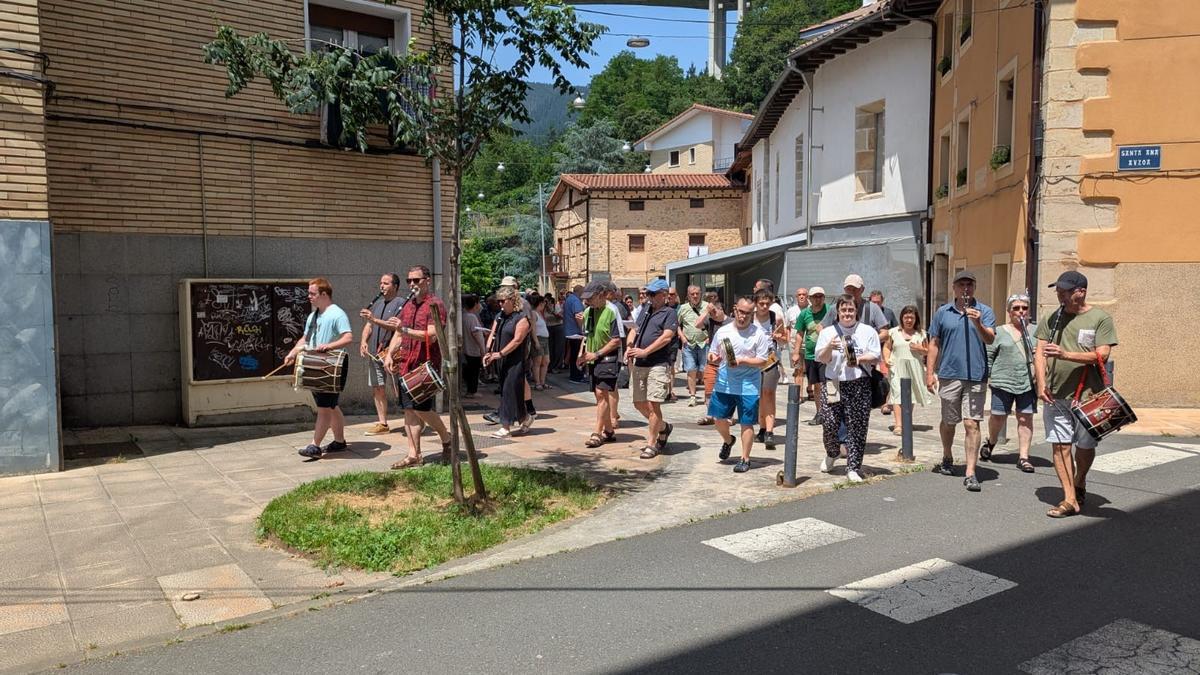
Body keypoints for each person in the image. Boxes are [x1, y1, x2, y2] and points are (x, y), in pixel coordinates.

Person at [1035, 271, 1116, 518]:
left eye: (1066, 291)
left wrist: (1065, 354)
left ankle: (1080, 480)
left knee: (1085, 445)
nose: (1060, 295)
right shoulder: (1052, 317)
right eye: (1058, 290)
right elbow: (1039, 353)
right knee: (1060, 446)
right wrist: (1040, 383)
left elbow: (1102, 355)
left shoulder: (1100, 318)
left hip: (1089, 396)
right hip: (1055, 394)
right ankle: (1069, 499)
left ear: (1081, 291)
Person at [926, 270, 996, 492]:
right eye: (961, 285)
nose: (966, 289)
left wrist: (978, 323)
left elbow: (990, 338)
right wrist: (930, 373)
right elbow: (934, 343)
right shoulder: (942, 313)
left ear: (974, 288)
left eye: (969, 285)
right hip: (949, 374)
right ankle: (947, 455)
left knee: (971, 423)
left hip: (976, 375)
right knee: (949, 421)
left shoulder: (985, 311)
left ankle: (970, 472)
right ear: (954, 288)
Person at [383, 265, 452, 468]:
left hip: (425, 366)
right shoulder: (408, 305)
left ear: (427, 281)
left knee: (422, 410)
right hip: (406, 363)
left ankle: (446, 438)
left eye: (416, 280)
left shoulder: (435, 305)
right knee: (409, 410)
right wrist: (389, 354)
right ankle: (414, 455)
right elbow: (398, 332)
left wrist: (404, 330)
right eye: (409, 281)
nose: (412, 284)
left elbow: (431, 335)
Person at [815, 294, 882, 482]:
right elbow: (821, 358)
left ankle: (853, 466)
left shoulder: (868, 331)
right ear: (838, 312)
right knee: (829, 422)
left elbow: (876, 356)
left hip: (859, 382)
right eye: (843, 309)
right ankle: (832, 451)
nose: (847, 313)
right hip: (833, 382)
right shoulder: (827, 332)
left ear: (856, 311)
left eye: (850, 309)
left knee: (857, 426)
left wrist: (859, 359)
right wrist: (829, 347)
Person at [286, 277, 353, 459]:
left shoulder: (337, 313)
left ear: (324, 294)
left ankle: (314, 446)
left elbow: (348, 337)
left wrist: (329, 346)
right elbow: (304, 339)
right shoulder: (313, 315)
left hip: (331, 367)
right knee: (331, 407)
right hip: (315, 365)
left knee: (324, 409)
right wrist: (293, 353)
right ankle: (339, 442)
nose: (309, 296)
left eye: (312, 293)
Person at [708, 296, 771, 473]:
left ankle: (745, 459)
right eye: (741, 312)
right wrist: (714, 358)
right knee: (718, 420)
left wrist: (743, 360)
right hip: (724, 383)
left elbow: (763, 361)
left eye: (748, 314)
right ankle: (728, 440)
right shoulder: (723, 331)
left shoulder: (758, 334)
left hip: (748, 385)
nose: (743, 316)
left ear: (753, 314)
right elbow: (711, 354)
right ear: (735, 310)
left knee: (747, 423)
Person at [980, 294, 1037, 472]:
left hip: (1028, 381)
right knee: (998, 416)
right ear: (1009, 311)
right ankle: (991, 441)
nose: (1021, 311)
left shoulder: (1037, 332)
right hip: (1002, 380)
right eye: (1016, 308)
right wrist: (986, 378)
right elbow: (989, 357)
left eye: (1024, 308)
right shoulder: (999, 331)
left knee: (1025, 417)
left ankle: (1024, 457)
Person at [626, 278, 678, 459]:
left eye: (653, 294)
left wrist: (645, 351)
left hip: (657, 363)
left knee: (653, 403)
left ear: (664, 295)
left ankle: (651, 443)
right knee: (638, 403)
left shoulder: (669, 313)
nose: (649, 297)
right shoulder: (645, 311)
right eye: (648, 294)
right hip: (640, 364)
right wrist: (629, 346)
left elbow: (666, 337)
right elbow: (634, 329)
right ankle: (663, 427)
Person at [358, 273, 405, 436]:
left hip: (392, 355)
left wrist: (374, 319)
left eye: (386, 283)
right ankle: (383, 423)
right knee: (378, 388)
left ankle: (413, 419)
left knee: (400, 388)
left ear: (395, 286)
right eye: (381, 283)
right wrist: (363, 341)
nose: (382, 286)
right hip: (375, 354)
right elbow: (368, 326)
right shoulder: (378, 304)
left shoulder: (401, 303)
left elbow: (395, 328)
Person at [579, 281, 623, 448]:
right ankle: (609, 431)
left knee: (601, 394)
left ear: (601, 295)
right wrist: (581, 355)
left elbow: (616, 340)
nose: (588, 301)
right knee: (598, 395)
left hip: (607, 359)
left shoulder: (612, 311)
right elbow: (586, 335)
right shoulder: (588, 311)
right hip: (592, 358)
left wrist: (596, 354)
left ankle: (597, 433)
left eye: (591, 298)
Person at [484, 286, 532, 438]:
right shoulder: (500, 316)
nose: (500, 304)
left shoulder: (522, 318)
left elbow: (517, 340)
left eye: (503, 301)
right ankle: (526, 417)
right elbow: (492, 334)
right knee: (514, 392)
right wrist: (488, 352)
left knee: (507, 392)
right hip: (500, 360)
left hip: (515, 361)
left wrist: (500, 353)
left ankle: (505, 427)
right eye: (498, 301)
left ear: (512, 300)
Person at [882, 305, 931, 435]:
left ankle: (906, 421)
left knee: (911, 394)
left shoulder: (922, 334)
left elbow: (928, 351)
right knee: (897, 393)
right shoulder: (893, 332)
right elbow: (887, 347)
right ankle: (898, 424)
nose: (909, 320)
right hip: (897, 366)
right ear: (902, 318)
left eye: (911, 317)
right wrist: (886, 360)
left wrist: (920, 349)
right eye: (906, 317)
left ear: (916, 319)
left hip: (914, 367)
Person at [752, 289, 786, 449]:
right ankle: (762, 427)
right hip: (752, 361)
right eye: (761, 303)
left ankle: (770, 431)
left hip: (770, 360)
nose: (764, 306)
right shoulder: (750, 318)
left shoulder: (775, 318)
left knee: (768, 393)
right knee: (757, 396)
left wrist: (780, 337)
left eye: (767, 303)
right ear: (756, 304)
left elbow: (785, 339)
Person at [793, 286, 828, 425]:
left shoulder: (829, 311)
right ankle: (820, 412)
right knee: (817, 385)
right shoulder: (804, 314)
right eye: (815, 297)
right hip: (810, 354)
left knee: (826, 384)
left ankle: (828, 412)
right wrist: (796, 352)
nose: (818, 299)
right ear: (810, 299)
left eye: (820, 296)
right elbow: (800, 333)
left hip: (827, 354)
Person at [695, 292, 729, 425]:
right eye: (711, 312)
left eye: (715, 311)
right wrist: (706, 312)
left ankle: (726, 416)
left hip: (727, 363)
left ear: (721, 309)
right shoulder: (710, 321)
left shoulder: (731, 322)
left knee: (726, 391)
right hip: (712, 362)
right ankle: (710, 414)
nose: (713, 314)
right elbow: (697, 325)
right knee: (709, 389)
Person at [676, 285, 710, 408]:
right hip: (689, 344)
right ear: (688, 295)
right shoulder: (683, 308)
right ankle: (693, 396)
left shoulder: (707, 307)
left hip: (704, 344)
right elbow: (677, 324)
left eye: (697, 293)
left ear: (700, 294)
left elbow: (715, 323)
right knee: (691, 371)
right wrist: (682, 337)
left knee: (705, 371)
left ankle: (707, 396)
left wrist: (709, 337)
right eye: (692, 294)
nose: (695, 296)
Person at [461, 294, 486, 398]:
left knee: (469, 371)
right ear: (475, 304)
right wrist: (482, 349)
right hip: (473, 349)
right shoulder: (472, 317)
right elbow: (476, 334)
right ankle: (472, 392)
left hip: (466, 349)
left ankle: (470, 391)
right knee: (474, 372)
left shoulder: (462, 316)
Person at [563, 285, 586, 383]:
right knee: (578, 354)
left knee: (573, 354)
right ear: (580, 291)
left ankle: (573, 374)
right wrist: (583, 330)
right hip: (576, 333)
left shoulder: (569, 299)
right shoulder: (576, 301)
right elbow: (578, 316)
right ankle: (577, 376)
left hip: (570, 331)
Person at [530, 293, 551, 390]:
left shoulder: (540, 314)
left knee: (546, 361)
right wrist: (536, 342)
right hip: (538, 339)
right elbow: (533, 329)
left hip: (545, 340)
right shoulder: (533, 313)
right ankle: (537, 382)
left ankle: (542, 382)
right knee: (537, 362)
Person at [664, 286, 681, 402]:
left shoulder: (680, 308)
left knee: (671, 366)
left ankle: (670, 391)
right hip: (661, 340)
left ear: (676, 296)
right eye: (668, 294)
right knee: (663, 366)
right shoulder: (661, 308)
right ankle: (664, 390)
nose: (670, 296)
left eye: (672, 294)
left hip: (674, 341)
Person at [544, 292, 565, 373]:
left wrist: (552, 311)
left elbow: (561, 317)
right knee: (550, 348)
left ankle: (556, 366)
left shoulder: (556, 306)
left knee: (558, 348)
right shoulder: (543, 309)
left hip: (557, 327)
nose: (546, 303)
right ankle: (550, 366)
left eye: (548, 301)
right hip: (548, 328)